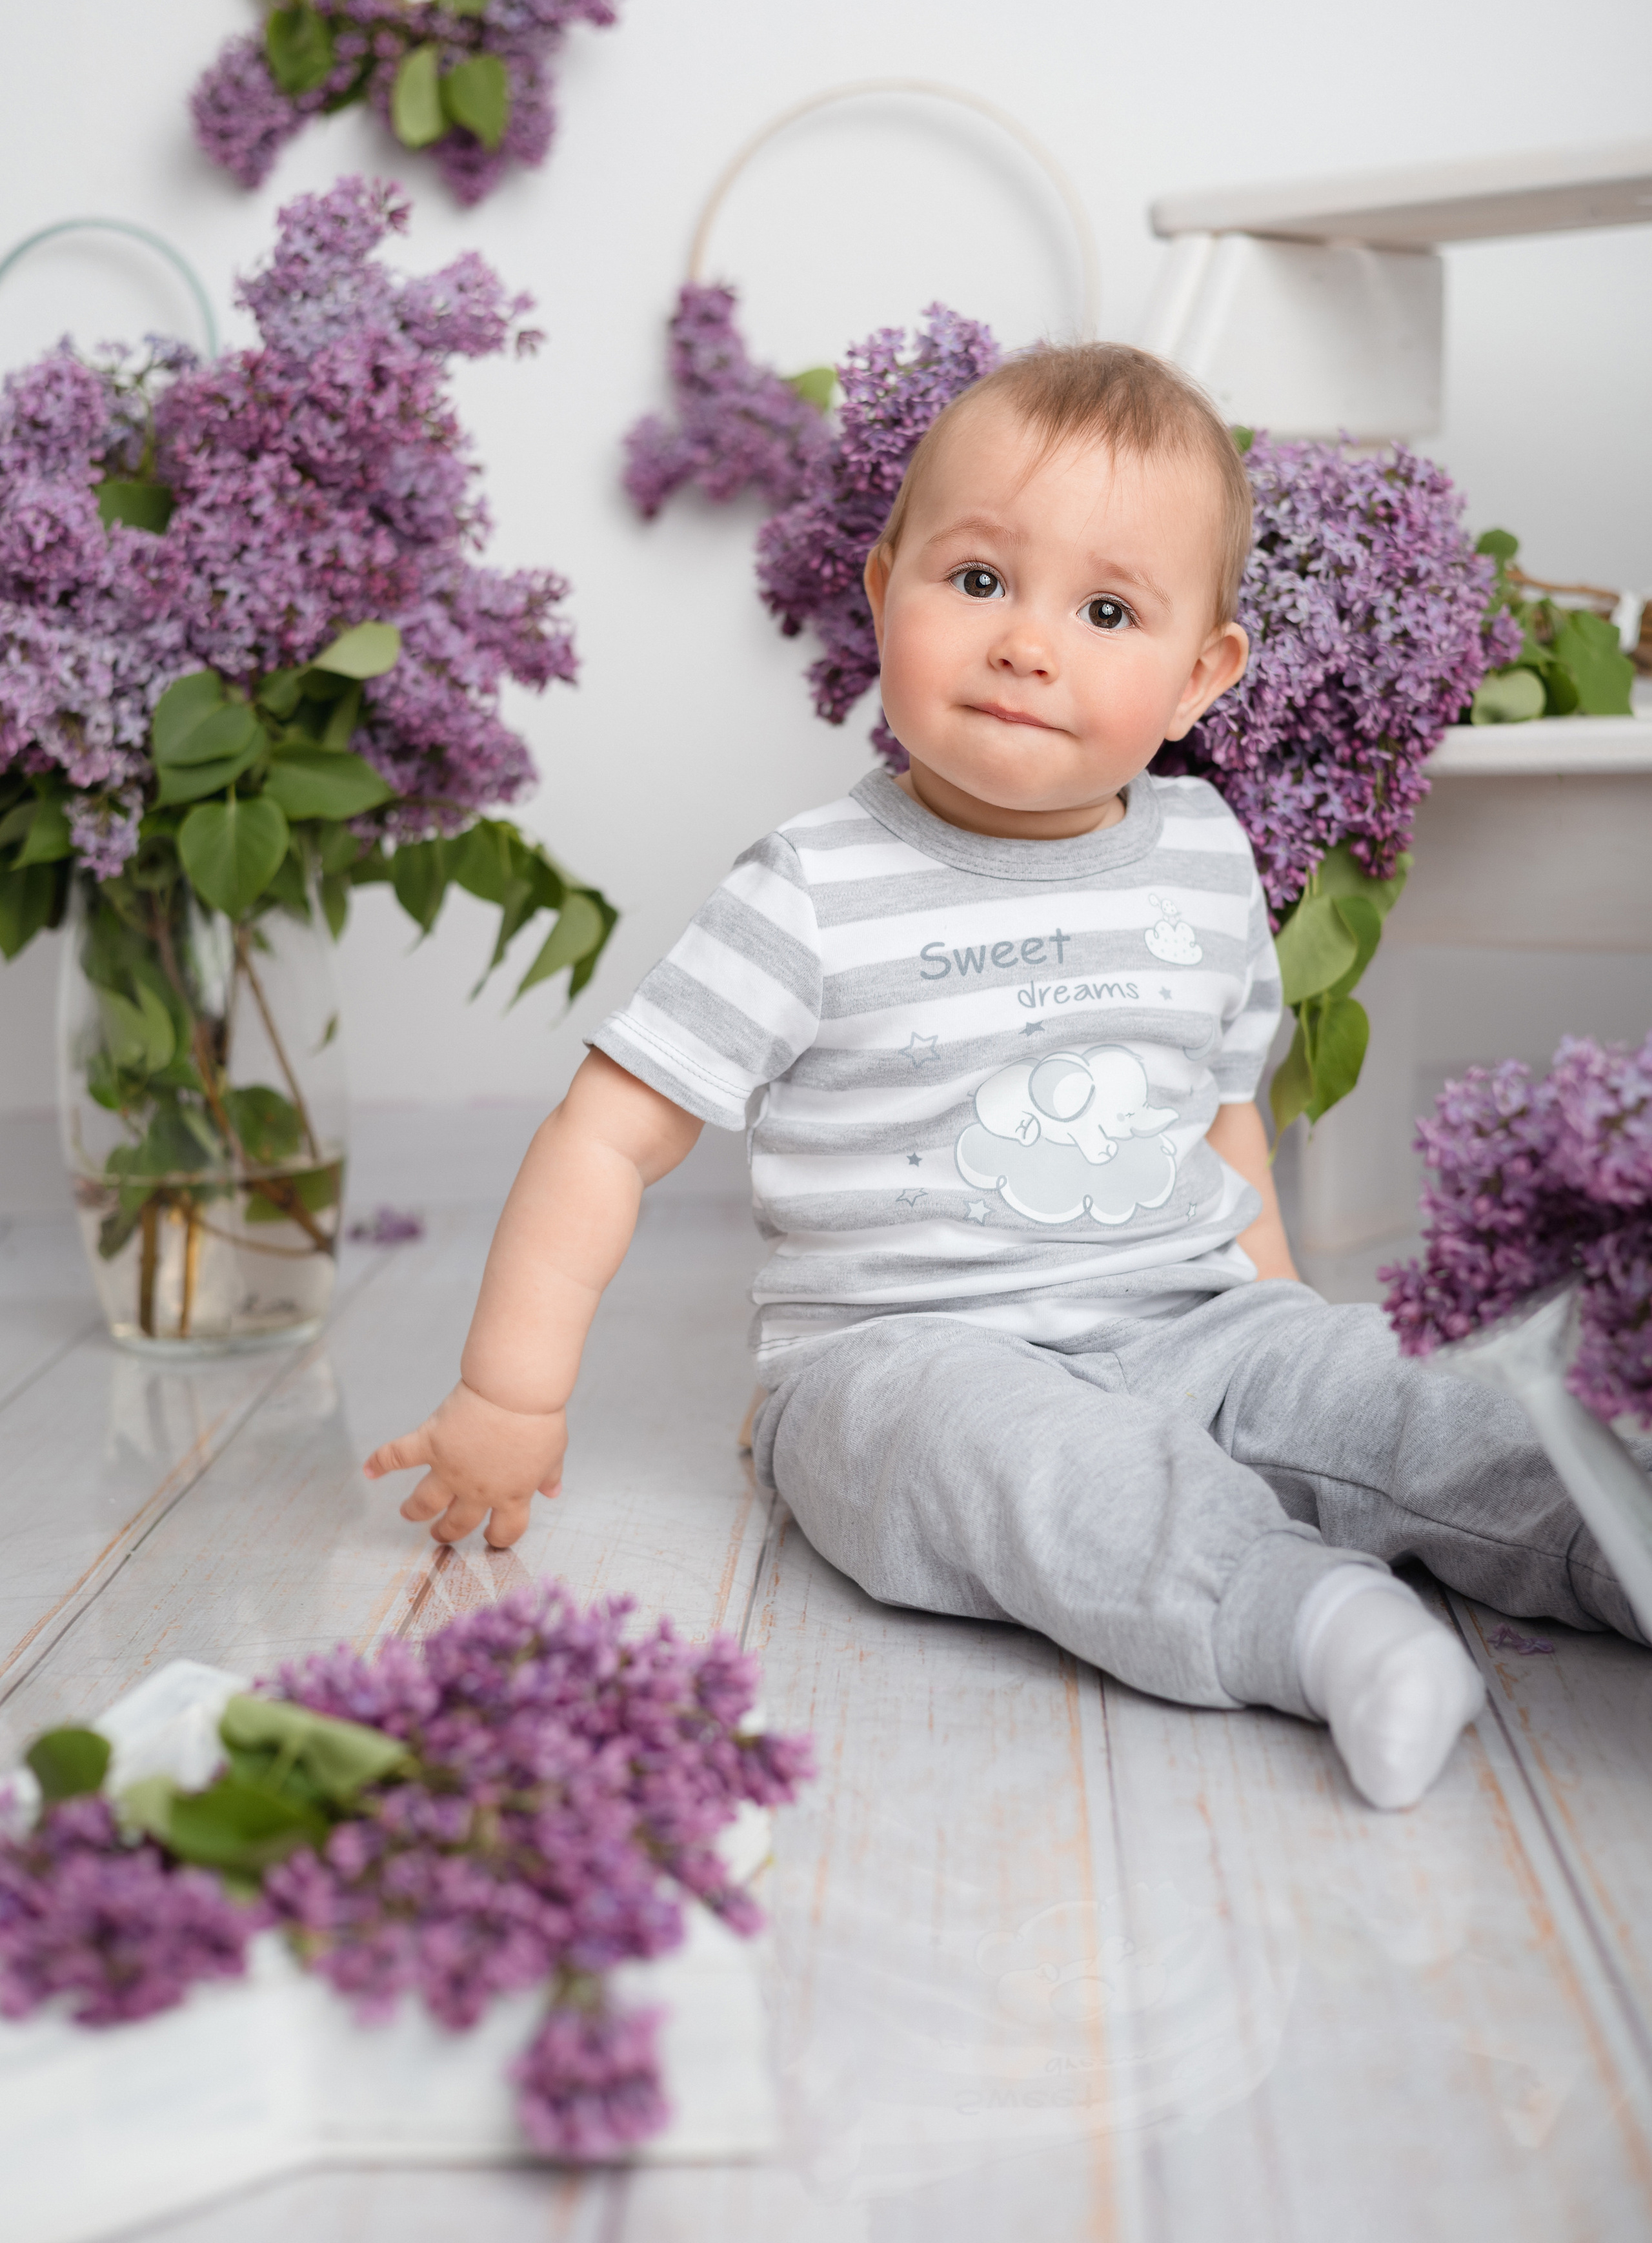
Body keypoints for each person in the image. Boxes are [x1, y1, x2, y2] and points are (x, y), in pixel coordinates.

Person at [364, 342, 1642, 1811]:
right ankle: (1314, 1623)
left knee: (1405, 1397)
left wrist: (1274, 1321)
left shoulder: (1202, 860)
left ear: (1196, 677)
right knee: (1018, 1471)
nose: (1027, 643)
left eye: (1104, 610)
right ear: (879, 593)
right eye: (976, 583)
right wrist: (507, 1394)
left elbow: (1219, 1108)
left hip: (1186, 1319)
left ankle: (1612, 1541)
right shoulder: (809, 889)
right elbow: (603, 1136)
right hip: (897, 1358)